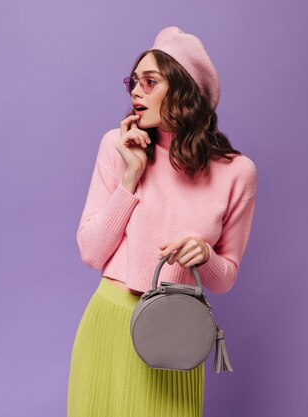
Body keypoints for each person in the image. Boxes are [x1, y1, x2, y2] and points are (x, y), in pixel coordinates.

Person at [67, 26, 257, 417]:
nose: (136, 91)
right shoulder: (118, 148)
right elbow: (91, 251)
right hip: (110, 321)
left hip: (175, 334)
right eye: (133, 82)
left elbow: (224, 280)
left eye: (150, 82)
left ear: (185, 91)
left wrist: (203, 254)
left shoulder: (237, 172)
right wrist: (131, 176)